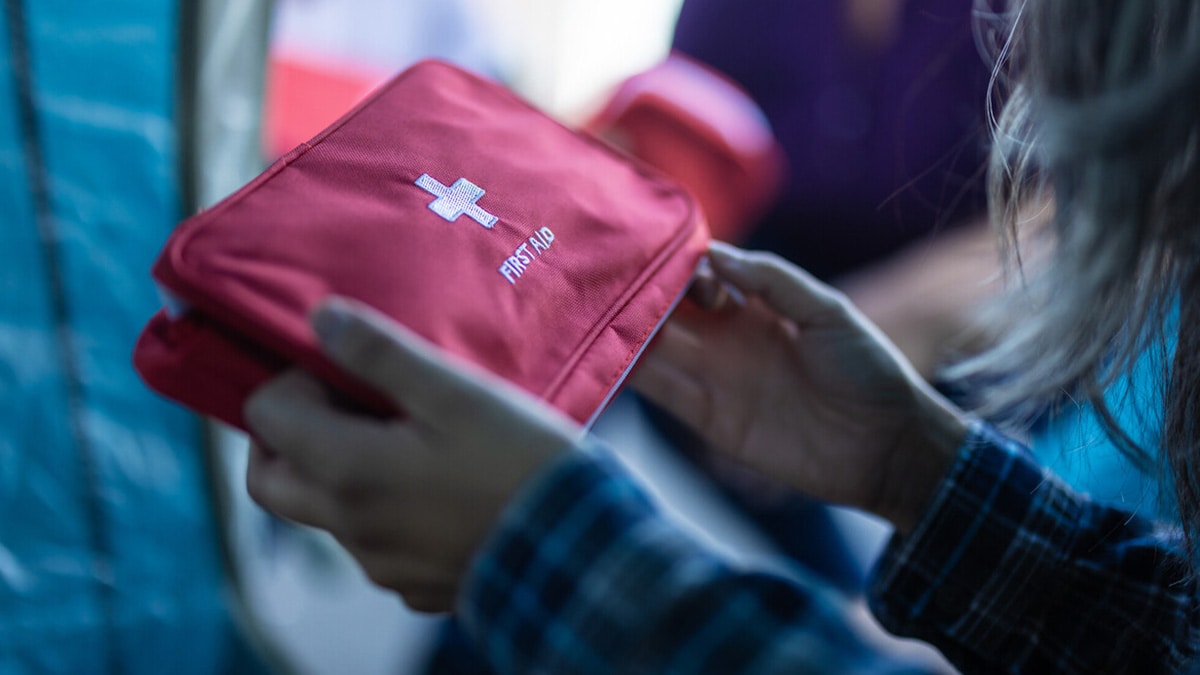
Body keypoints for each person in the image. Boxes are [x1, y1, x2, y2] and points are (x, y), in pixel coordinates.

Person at [242, 0, 1200, 672]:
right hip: (799, 360)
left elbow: (1067, 219)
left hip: (974, 365)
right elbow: (1156, 635)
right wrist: (911, 461)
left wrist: (534, 539)